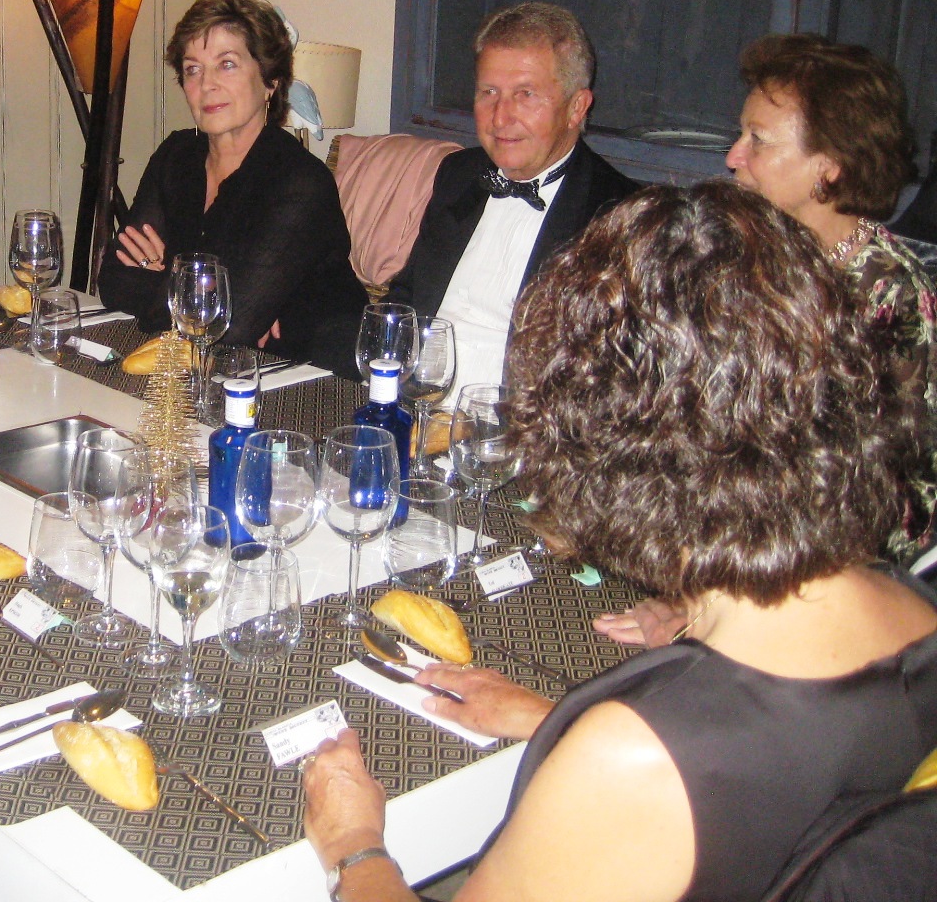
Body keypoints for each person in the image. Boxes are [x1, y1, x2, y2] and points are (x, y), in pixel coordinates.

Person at [302, 182, 937, 902]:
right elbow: (785, 781)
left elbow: (683, 771)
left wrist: (352, 845)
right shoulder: (908, 604)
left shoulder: (634, 758)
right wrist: (554, 721)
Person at [722, 32, 935, 564]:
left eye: (758, 140)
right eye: (740, 134)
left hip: (828, 567)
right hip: (729, 532)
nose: (733, 157)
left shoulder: (890, 296)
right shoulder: (749, 254)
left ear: (830, 164)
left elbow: (889, 501)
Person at [97, 0, 367, 362]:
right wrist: (218, 302)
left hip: (308, 371)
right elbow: (113, 283)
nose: (206, 84)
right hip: (205, 362)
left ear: (270, 81)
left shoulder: (300, 182)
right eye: (192, 69)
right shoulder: (176, 156)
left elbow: (232, 325)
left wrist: (160, 274)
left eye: (227, 64)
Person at [376, 2, 636, 388]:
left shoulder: (621, 215)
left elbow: (611, 375)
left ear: (576, 107)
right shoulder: (459, 174)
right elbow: (409, 296)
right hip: (415, 400)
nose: (500, 117)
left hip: (519, 417)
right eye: (489, 92)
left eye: (526, 94)